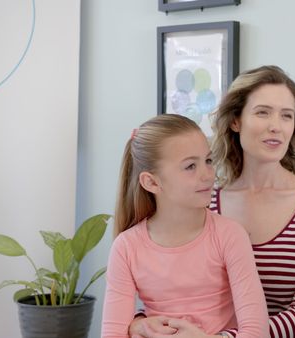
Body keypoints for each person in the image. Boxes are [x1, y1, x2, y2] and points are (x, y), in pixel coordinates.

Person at [130, 66, 295, 338]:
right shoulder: (205, 200)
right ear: (236, 121)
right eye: (262, 112)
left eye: (286, 116)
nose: (276, 126)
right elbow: (162, 283)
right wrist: (138, 321)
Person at [101, 114, 269, 338]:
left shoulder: (230, 236)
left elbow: (257, 332)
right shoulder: (126, 248)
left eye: (208, 161)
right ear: (151, 182)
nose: (207, 175)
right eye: (190, 166)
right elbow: (113, 333)